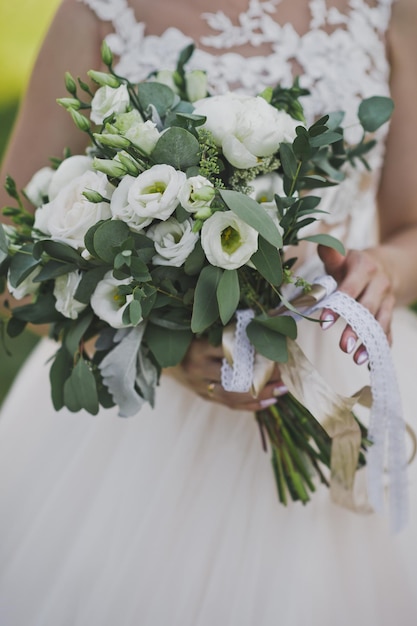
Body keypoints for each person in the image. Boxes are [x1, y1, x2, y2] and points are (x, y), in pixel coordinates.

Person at [0, 0, 416, 624]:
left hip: (346, 368)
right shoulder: (98, 14)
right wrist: (154, 351)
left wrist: (386, 265)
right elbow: (14, 250)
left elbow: (411, 226)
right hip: (149, 423)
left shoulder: (390, 12)